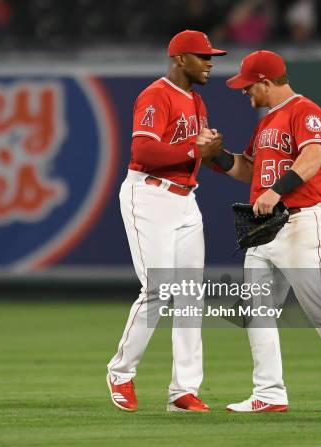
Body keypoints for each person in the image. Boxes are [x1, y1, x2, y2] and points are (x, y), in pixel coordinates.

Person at [198, 50, 321, 414]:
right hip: (266, 229)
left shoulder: (304, 111)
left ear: (265, 81)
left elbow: (313, 158)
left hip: (300, 222)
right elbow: (249, 169)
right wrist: (215, 156)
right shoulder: (267, 122)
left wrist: (277, 190)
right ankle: (269, 392)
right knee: (256, 309)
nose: (244, 93)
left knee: (319, 307)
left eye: (249, 86)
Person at [106, 30, 226, 413]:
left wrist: (212, 150)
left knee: (190, 296)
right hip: (150, 195)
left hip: (186, 200)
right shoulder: (155, 94)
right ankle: (121, 373)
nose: (210, 63)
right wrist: (195, 147)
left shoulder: (197, 100)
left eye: (211, 57)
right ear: (179, 59)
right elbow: (142, 149)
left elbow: (192, 154)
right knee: (157, 289)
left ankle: (183, 390)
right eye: (203, 57)